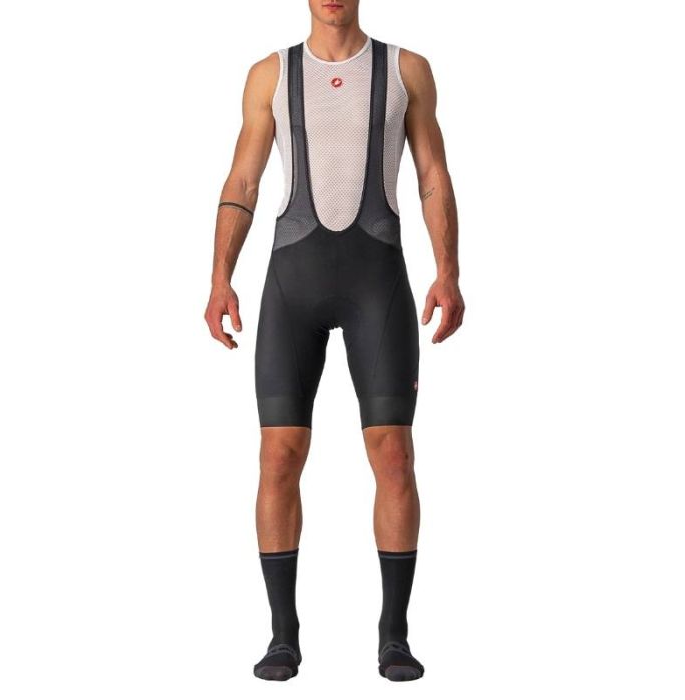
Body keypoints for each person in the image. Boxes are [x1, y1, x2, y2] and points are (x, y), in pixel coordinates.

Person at [205, 0, 464, 682]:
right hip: (294, 280)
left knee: (394, 455)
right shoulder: (271, 73)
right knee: (278, 456)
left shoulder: (406, 69)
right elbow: (243, 180)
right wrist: (220, 278)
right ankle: (282, 637)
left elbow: (432, 174)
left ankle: (393, 636)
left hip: (377, 280)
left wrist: (448, 272)